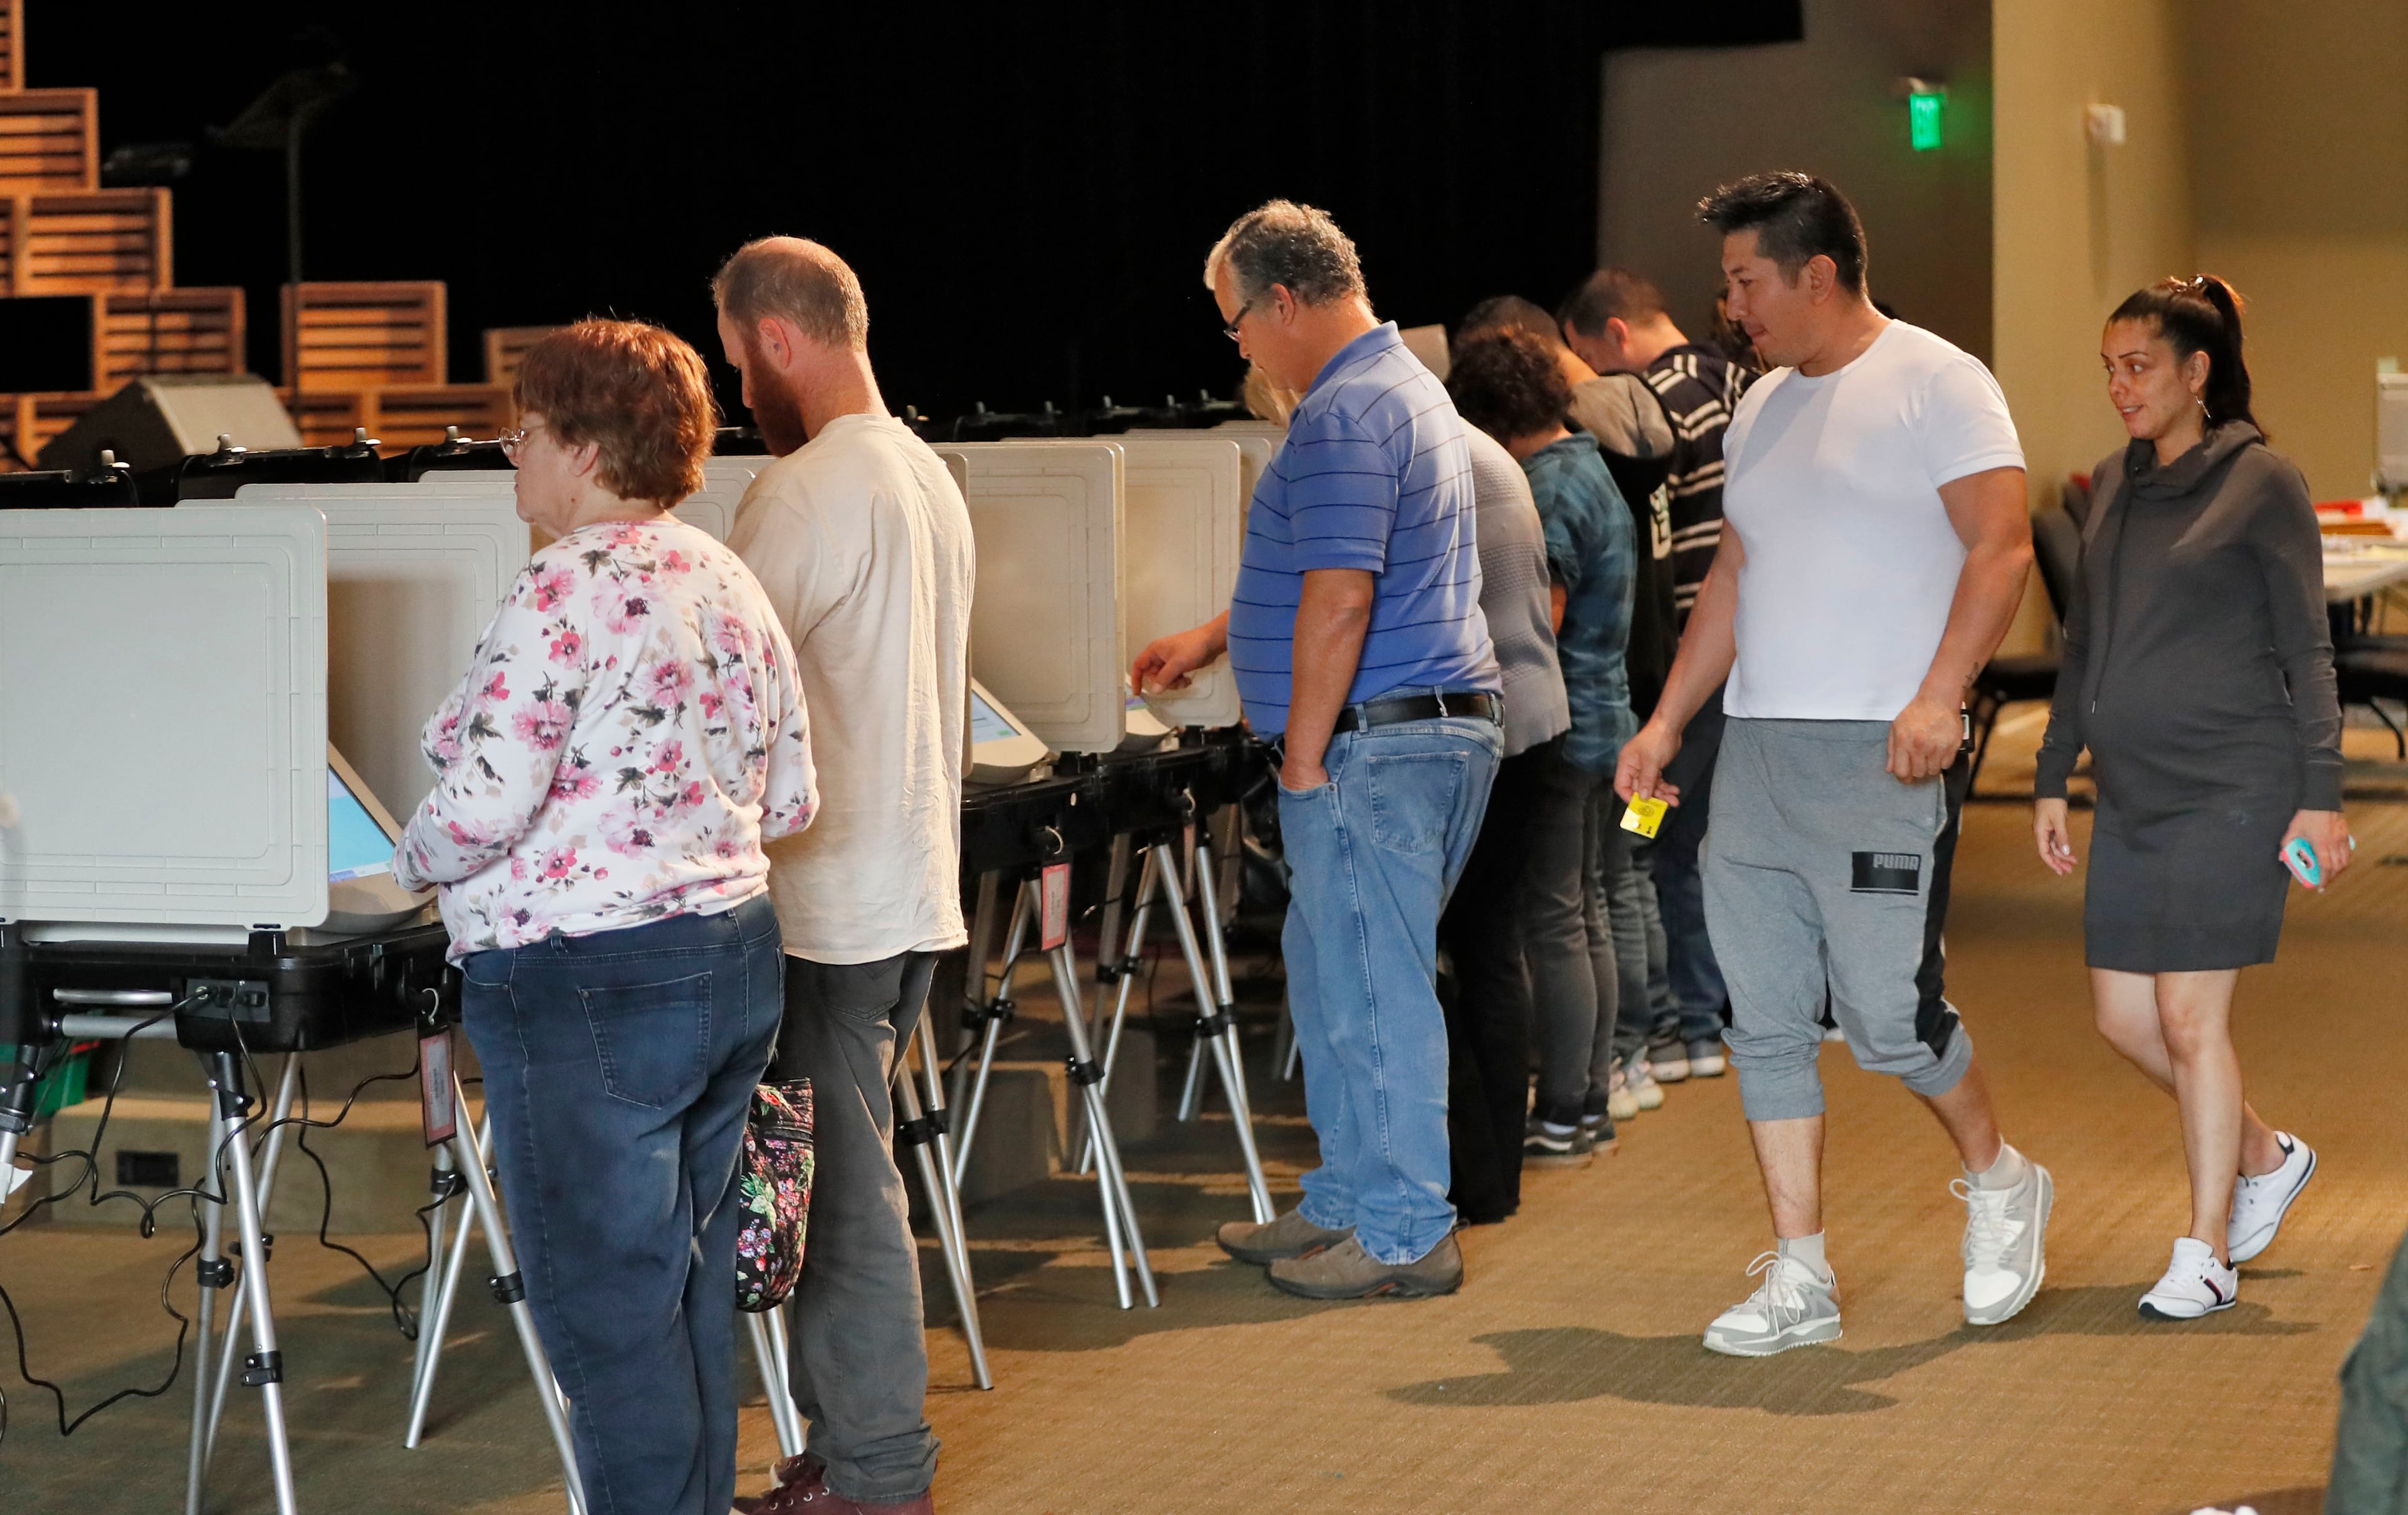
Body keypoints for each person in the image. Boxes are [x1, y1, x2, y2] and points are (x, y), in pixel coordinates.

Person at [1616, 171, 2050, 1356]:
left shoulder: (1941, 382)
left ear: (1817, 275)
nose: (1732, 306)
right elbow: (1736, 581)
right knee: (1762, 1019)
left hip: (1882, 755)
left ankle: (2003, 1179)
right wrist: (1665, 724)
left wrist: (1940, 696)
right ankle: (1801, 1273)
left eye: (1746, 282)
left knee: (1887, 1022)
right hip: (1755, 751)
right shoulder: (1758, 405)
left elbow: (2001, 550)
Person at [392, 319, 817, 1515]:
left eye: (520, 436)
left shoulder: (564, 583)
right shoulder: (724, 574)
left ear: (581, 447)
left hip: (587, 984)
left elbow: (485, 802)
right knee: (679, 1289)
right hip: (733, 956)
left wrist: (406, 855)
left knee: (605, 1306)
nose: (510, 459)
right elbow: (793, 794)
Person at [1134, 199, 1502, 1299]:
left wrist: (1301, 756)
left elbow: (1342, 597)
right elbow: (1333, 574)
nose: (1238, 344)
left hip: (1373, 744)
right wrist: (1217, 636)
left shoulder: (1346, 411)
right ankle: (1349, 1198)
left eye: (1237, 321)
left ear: (1284, 301)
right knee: (1335, 971)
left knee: (1373, 987)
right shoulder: (1397, 390)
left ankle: (1401, 1234)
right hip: (1414, 732)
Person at [716, 237, 974, 1515]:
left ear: (775, 338)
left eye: (733, 355)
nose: (735, 392)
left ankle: (877, 1475)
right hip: (911, 880)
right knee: (835, 1190)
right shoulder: (924, 470)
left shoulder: (809, 487)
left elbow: (721, 692)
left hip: (823, 902)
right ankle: (848, 1455)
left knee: (845, 1205)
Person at [2032, 275, 2335, 1321]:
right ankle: (2263, 1151)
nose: (2120, 388)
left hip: (2238, 787)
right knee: (2125, 1018)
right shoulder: (2117, 481)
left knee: (2187, 1014)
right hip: (2133, 794)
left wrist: (2322, 796)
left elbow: (2309, 648)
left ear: (2196, 373)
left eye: (2139, 367)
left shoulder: (2263, 482)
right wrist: (2050, 770)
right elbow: (2086, 643)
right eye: (2110, 369)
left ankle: (2204, 1247)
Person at [1560, 267, 1757, 1085]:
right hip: (1746, 660)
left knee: (1650, 842)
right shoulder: (1740, 381)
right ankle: (1704, 1020)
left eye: (1589, 366)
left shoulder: (1654, 400)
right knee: (1696, 842)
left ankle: (1685, 1021)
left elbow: (1657, 557)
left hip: (1678, 670)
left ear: (1614, 335)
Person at [1448, 327, 1637, 1166]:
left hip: (1565, 728)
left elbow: (1543, 621)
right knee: (1586, 913)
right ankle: (1589, 1097)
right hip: (1607, 717)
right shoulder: (1589, 463)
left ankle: (1564, 1106)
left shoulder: (1548, 487)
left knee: (1556, 922)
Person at [1435, 415, 1573, 1216]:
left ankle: (1474, 1176)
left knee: (1461, 953)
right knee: (1500, 947)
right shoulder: (1484, 453)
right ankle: (1497, 1179)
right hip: (1536, 717)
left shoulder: (1425, 457)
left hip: (1490, 728)